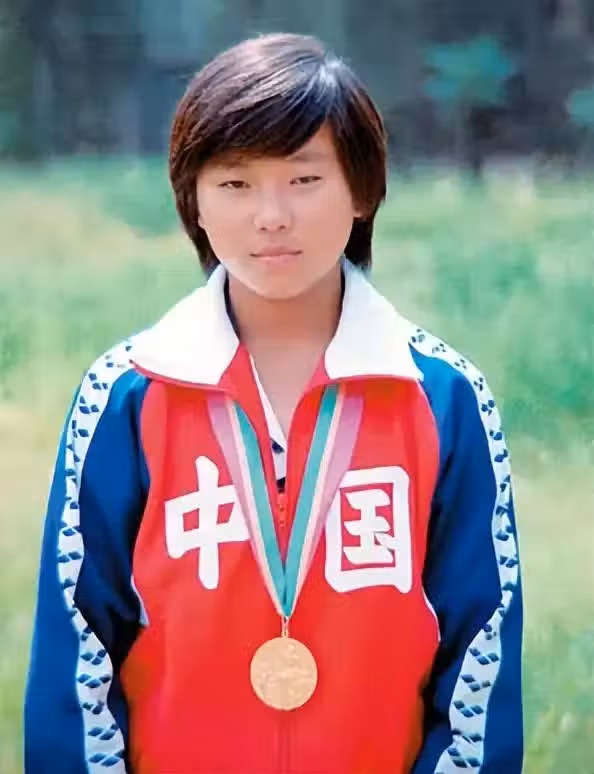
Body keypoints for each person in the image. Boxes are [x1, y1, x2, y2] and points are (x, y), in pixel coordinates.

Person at [24, 32, 523, 774]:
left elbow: (479, 656)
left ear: (363, 190)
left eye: (304, 178)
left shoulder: (446, 399)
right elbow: (77, 656)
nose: (271, 215)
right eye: (235, 183)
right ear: (193, 200)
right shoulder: (124, 395)